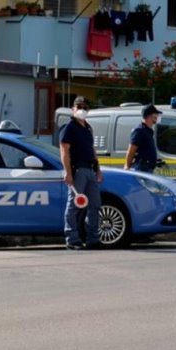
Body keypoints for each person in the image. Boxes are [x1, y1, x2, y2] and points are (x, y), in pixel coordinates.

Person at [60, 96, 103, 250]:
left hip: (90, 170)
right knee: (74, 205)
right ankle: (72, 238)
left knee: (95, 205)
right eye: (78, 106)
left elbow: (92, 150)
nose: (81, 109)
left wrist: (98, 170)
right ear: (73, 109)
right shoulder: (69, 127)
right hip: (77, 170)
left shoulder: (88, 127)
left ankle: (92, 238)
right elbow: (64, 150)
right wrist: (68, 172)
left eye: (84, 107)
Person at [124, 104, 162, 172]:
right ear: (149, 116)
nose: (157, 117)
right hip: (141, 169)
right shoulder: (139, 130)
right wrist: (127, 166)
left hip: (147, 168)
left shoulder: (148, 131)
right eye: (155, 114)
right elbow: (131, 151)